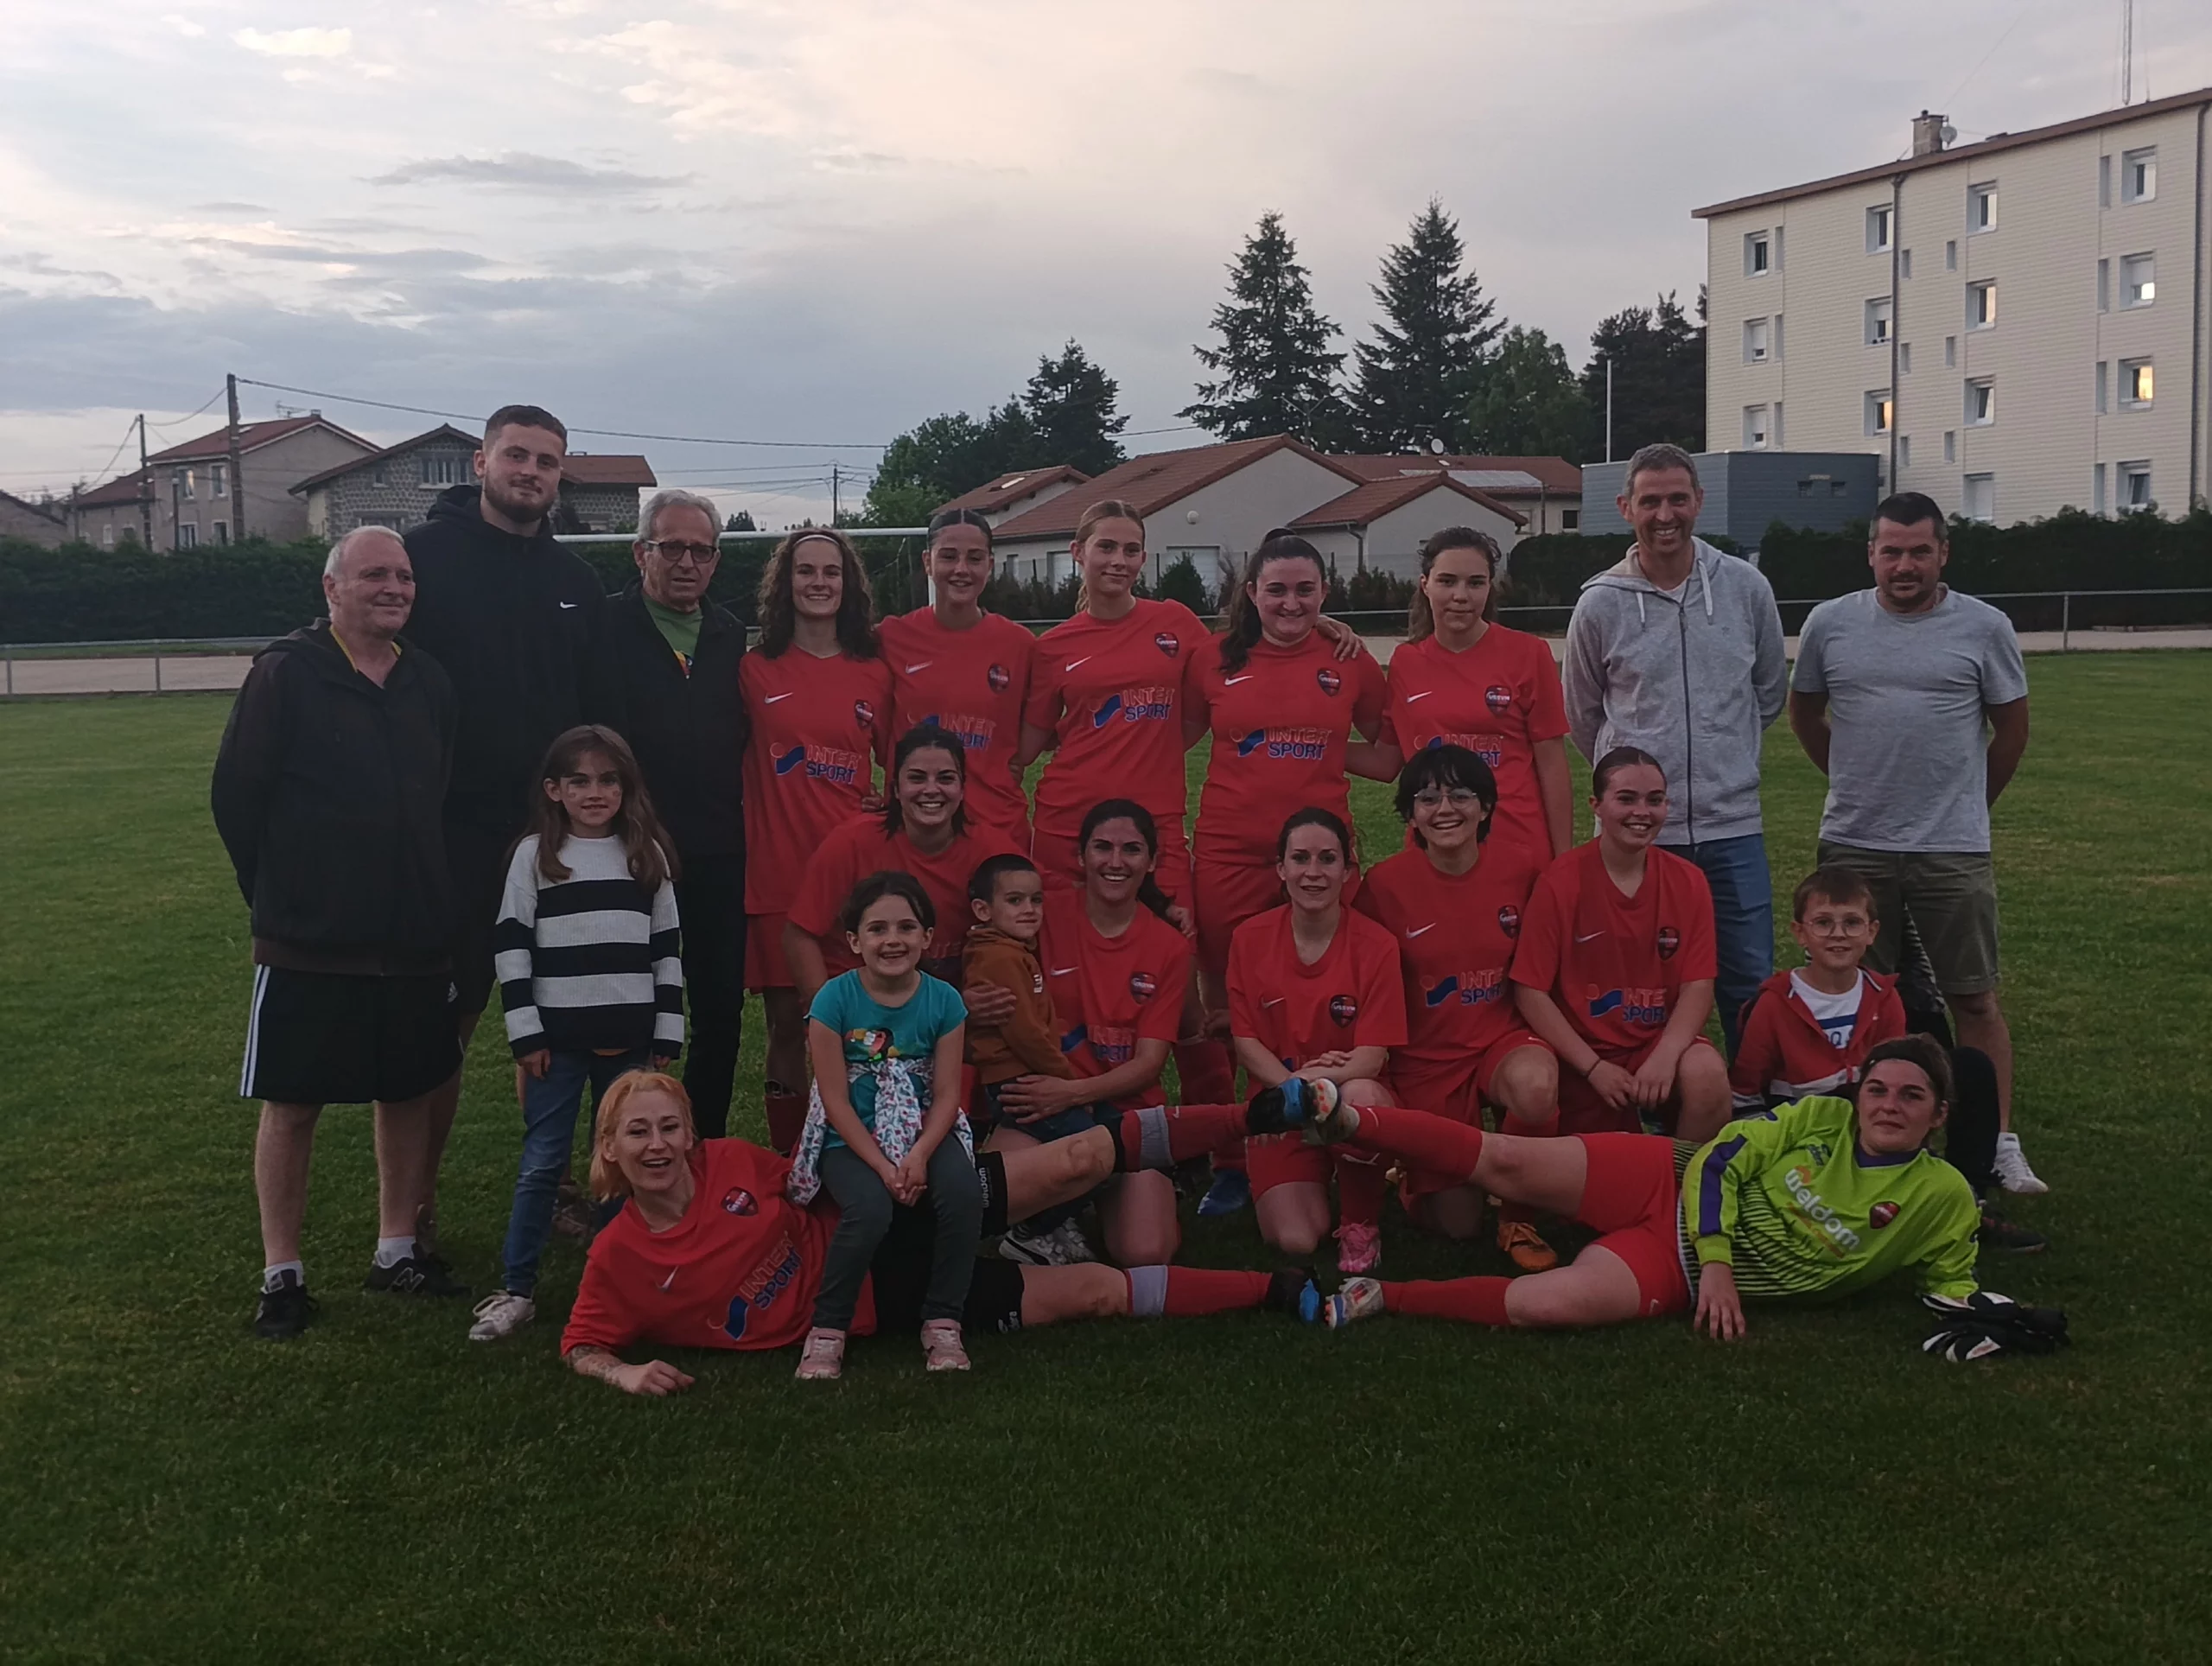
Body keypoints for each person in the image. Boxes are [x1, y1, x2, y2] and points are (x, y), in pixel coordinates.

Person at [560, 1071, 1312, 1393]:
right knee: (1094, 1294)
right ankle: (1271, 1290)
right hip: (886, 1301)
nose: (657, 1147)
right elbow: (582, 1343)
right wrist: (620, 1372)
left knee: (1079, 1156)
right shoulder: (619, 1256)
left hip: (900, 1210)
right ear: (610, 1149)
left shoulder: (730, 1163)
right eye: (638, 1133)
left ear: (693, 1135)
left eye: (669, 1128)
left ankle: (1256, 1116)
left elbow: (815, 1175)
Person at [1266, 1040, 1984, 1339]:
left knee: (1553, 1305)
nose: (1888, 1105)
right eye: (1878, 1090)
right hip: (1669, 1178)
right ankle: (1346, 1113)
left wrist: (1984, 1317)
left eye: (1912, 1097)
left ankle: (1382, 1296)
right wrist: (1723, 1266)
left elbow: (1954, 1278)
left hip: (1676, 1267)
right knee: (1506, 1160)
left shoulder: (1941, 1195)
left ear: (1940, 1115)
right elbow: (1720, 1158)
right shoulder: (1819, 1118)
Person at [213, 526, 467, 1338]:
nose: (393, 587)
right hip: (309, 939)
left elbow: (441, 798)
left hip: (415, 935)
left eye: (403, 576)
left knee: (406, 1092)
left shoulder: (429, 681)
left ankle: (397, 1250)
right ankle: (281, 1275)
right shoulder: (286, 674)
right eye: (373, 576)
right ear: (332, 588)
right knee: (292, 1104)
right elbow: (236, 800)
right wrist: (285, 896)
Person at [404, 404, 620, 1250]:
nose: (532, 471)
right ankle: (413, 1213)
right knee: (444, 1028)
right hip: (451, 836)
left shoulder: (574, 579)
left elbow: (597, 717)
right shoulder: (421, 562)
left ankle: (558, 1183)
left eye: (547, 460)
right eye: (517, 455)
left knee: (561, 1023)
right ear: (483, 462)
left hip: (552, 841)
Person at [1788, 492, 2041, 1193]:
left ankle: (1995, 1142)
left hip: (1951, 849)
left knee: (1975, 999)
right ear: (1871, 553)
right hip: (1854, 845)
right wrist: (1852, 780)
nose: (1905, 565)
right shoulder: (1831, 624)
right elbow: (1804, 713)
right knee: (1858, 999)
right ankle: (1869, 1140)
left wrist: (1966, 805)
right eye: (1891, 551)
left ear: (1943, 554)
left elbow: (2011, 731)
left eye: (1919, 552)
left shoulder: (1984, 627)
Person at [1183, 531, 1388, 1214]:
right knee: (1226, 1011)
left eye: (1305, 590)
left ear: (1325, 594)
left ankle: (1338, 1134)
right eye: (1276, 589)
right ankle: (1231, 1155)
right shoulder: (1210, 658)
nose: (1291, 602)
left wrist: (1326, 755)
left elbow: (1390, 757)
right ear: (1251, 593)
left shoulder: (1348, 659)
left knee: (1331, 999)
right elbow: (1172, 737)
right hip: (1228, 855)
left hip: (1320, 859)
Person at [1562, 443, 1787, 1058]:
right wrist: (1630, 791)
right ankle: (1641, 1108)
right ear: (1625, 507)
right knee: (1637, 982)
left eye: (1678, 499)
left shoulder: (1744, 588)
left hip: (1730, 827)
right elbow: (1583, 714)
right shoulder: (1600, 603)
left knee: (1747, 979)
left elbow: (1769, 692)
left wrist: (1724, 755)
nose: (1666, 514)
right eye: (1651, 501)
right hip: (1638, 835)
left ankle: (1754, 1106)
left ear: (1699, 501)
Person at [469, 726, 685, 1342]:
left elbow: (667, 950)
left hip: (632, 1039)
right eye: (580, 781)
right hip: (555, 1043)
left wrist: (667, 1029)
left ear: (627, 786)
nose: (595, 793)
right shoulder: (536, 854)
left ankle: (621, 1282)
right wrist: (525, 1032)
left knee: (627, 1164)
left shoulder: (648, 853)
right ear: (554, 789)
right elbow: (511, 945)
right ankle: (517, 1289)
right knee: (543, 1162)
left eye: (609, 780)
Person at [1734, 867, 2044, 1252]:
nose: (1838, 934)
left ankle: (1967, 1205)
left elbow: (1901, 1073)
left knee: (1969, 1067)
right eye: (1824, 923)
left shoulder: (1884, 997)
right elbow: (1746, 1096)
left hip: (1875, 1116)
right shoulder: (1774, 1004)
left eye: (1851, 923)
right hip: (1805, 1131)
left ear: (1872, 933)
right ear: (1800, 932)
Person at [1354, 745, 1562, 1271]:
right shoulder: (1382, 887)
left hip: (1499, 1041)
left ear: (1487, 807)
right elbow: (1352, 973)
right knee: (1458, 1225)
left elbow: (1548, 963)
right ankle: (1414, 1173)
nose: (1445, 808)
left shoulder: (1522, 870)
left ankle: (1519, 1217)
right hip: (1428, 1059)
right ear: (1411, 815)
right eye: (1428, 798)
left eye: (1461, 795)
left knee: (1536, 1086)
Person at [786, 872, 979, 1377]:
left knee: (962, 1191)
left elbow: (946, 1095)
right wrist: (881, 1164)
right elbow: (834, 1100)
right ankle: (828, 1327)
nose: (892, 940)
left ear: (927, 937)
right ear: (854, 941)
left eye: (906, 928)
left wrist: (917, 1156)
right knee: (869, 1208)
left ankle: (943, 1319)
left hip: (924, 1130)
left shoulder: (945, 1002)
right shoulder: (833, 1001)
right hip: (850, 1137)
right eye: (876, 930)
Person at [738, 528, 891, 1152]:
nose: (820, 582)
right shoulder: (753, 669)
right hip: (776, 871)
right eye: (806, 571)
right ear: (786, 582)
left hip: (853, 877)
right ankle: (788, 1155)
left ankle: (865, 1143)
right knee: (787, 1024)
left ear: (848, 584)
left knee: (862, 1021)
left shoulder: (875, 672)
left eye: (832, 571)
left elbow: (900, 766)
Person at [602, 486, 748, 1139]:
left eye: (702, 550)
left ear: (716, 560)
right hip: (632, 849)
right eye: (673, 547)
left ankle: (706, 1143)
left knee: (719, 1007)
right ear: (641, 553)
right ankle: (626, 1152)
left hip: (719, 850)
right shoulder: (602, 629)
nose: (687, 562)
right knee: (631, 1010)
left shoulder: (729, 636)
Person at [995, 800, 1193, 1267]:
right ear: (1081, 857)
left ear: (1151, 861)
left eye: (1132, 850)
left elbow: (1149, 1065)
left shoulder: (1169, 944)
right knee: (989, 1192)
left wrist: (1072, 1093)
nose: (1116, 862)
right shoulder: (1043, 915)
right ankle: (1066, 1202)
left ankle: (1097, 1191)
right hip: (1042, 1105)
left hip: (1126, 1113)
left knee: (1146, 1252)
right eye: (1102, 848)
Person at [1510, 747, 1731, 1143]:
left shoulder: (1689, 881)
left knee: (1708, 1075)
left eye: (1655, 800)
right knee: (1592, 1188)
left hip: (1653, 1046)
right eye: (1626, 798)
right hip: (1583, 1054)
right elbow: (1531, 990)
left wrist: (1665, 1056)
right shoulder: (1561, 881)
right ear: (1596, 805)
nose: (1641, 812)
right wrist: (1592, 1067)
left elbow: (1698, 984)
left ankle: (1680, 1190)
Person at [1228, 809, 1406, 1272]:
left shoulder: (1378, 944)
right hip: (1278, 1101)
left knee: (1363, 1097)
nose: (1313, 872)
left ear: (1348, 871)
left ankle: (1360, 1220)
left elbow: (1370, 1057)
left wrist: (1312, 1082)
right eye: (1300, 858)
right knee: (1297, 1240)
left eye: (1328, 859)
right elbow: (1247, 1043)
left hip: (1347, 1089)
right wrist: (1293, 1092)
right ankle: (1306, 1169)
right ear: (1281, 868)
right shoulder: (1248, 939)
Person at [1356, 526, 1573, 861]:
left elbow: (1553, 767)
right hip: (1434, 851)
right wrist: (1309, 743)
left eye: (1475, 583)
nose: (1461, 595)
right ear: (1425, 585)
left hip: (1516, 848)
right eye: (1447, 581)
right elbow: (1387, 762)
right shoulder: (1406, 662)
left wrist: (1563, 861)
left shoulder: (1529, 654)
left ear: (1490, 586)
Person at [783, 723, 1021, 997]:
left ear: (963, 788)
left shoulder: (994, 852)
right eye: (917, 778)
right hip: (860, 1004)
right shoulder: (852, 843)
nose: (931, 790)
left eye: (945, 778)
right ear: (896, 789)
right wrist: (826, 1014)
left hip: (949, 1005)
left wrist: (984, 994)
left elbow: (1030, 926)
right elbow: (799, 934)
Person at [961, 853, 1098, 1265]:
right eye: (1016, 901)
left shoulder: (1012, 951)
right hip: (1021, 1079)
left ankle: (1047, 1223)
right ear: (983, 910)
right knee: (1094, 1147)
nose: (1029, 910)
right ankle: (1031, 1233)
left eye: (1035, 901)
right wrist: (1069, 1085)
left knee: (1056, 1153)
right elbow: (1025, 1034)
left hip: (1018, 1076)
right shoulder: (1000, 958)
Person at [880, 508, 1037, 840]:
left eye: (975, 558)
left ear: (990, 566)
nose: (961, 570)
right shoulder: (889, 638)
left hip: (996, 827)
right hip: (914, 832)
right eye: (949, 557)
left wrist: (1015, 759)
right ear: (927, 563)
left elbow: (1049, 720)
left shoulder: (1021, 645)